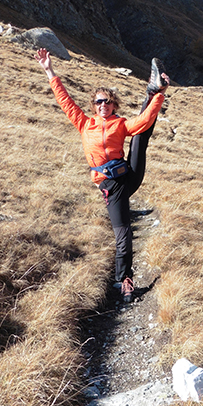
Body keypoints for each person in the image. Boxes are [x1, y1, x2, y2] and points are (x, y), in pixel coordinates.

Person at [35, 48, 169, 303]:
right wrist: (49, 70)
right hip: (110, 185)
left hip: (129, 175)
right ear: (93, 106)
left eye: (107, 102)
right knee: (123, 233)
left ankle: (154, 89)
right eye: (98, 102)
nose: (103, 105)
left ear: (114, 105)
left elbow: (143, 121)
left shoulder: (120, 123)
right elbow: (64, 100)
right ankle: (124, 278)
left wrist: (159, 98)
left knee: (141, 135)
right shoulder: (85, 124)